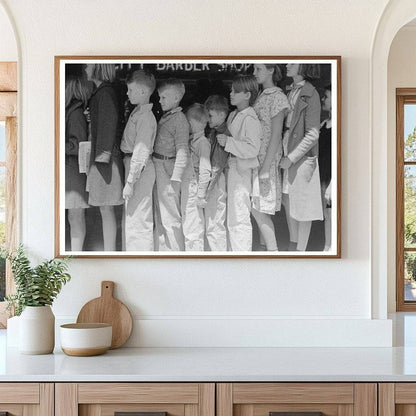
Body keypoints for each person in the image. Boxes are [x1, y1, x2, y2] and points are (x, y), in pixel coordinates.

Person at [280, 63, 323, 252]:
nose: (288, 65)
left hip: (302, 156)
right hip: (286, 147)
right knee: (287, 199)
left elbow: (313, 134)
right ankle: (293, 243)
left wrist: (292, 157)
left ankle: (300, 250)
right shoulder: (290, 91)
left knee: (303, 206)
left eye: (293, 62)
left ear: (304, 66)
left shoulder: (310, 93)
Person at [217, 75, 261, 251]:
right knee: (231, 215)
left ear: (247, 95)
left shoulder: (250, 118)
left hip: (241, 171)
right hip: (232, 168)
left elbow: (253, 149)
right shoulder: (234, 115)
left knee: (239, 215)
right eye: (231, 90)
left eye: (236, 91)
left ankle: (242, 255)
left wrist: (228, 143)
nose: (231, 93)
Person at [85, 63, 124, 251]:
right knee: (105, 208)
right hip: (103, 159)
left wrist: (102, 157)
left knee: (106, 208)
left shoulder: (104, 94)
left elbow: (109, 125)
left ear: (98, 68)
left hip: (105, 161)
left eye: (88, 64)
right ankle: (110, 250)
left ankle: (110, 252)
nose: (85, 67)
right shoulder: (102, 93)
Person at [252, 64, 289, 251]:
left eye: (258, 69)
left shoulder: (278, 98)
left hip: (267, 158)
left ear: (271, 70)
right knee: (256, 206)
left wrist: (266, 167)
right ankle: (263, 250)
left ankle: (273, 252)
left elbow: (276, 135)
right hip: (256, 158)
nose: (254, 73)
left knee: (260, 209)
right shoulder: (261, 96)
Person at [120, 70, 157, 251]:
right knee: (133, 217)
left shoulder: (145, 118)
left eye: (131, 90)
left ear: (143, 92)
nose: (128, 93)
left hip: (139, 169)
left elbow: (141, 152)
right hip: (134, 166)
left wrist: (130, 182)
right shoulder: (138, 113)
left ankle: (141, 258)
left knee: (139, 218)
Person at [153, 78, 190, 251]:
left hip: (168, 170)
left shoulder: (180, 120)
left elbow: (183, 150)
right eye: (160, 97)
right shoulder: (168, 116)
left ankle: (176, 253)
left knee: (170, 216)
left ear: (176, 97)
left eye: (164, 97)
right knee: (161, 214)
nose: (160, 101)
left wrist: (176, 177)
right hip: (161, 167)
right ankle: (164, 252)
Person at [65, 75, 91, 251]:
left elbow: (78, 144)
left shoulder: (75, 112)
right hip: (72, 170)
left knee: (75, 216)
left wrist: (58, 144)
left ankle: (76, 254)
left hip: (74, 171)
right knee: (74, 216)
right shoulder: (75, 111)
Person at [183, 104, 211, 251]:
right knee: (187, 223)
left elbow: (205, 170)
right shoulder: (190, 140)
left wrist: (201, 195)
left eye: (188, 122)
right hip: (187, 186)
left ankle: (195, 258)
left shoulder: (203, 143)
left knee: (193, 227)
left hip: (194, 188)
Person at [204, 95, 230, 251]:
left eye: (211, 116)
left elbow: (217, 165)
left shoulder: (222, 134)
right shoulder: (215, 131)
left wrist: (207, 189)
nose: (208, 120)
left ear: (222, 114)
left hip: (216, 182)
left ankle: (219, 256)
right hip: (214, 180)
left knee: (215, 222)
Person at [319, 86, 332, 251]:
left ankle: (330, 247)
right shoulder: (323, 125)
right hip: (322, 177)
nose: (324, 99)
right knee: (326, 214)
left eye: (326, 96)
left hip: (331, 178)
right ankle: (327, 247)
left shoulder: (340, 126)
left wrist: (332, 184)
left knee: (331, 213)